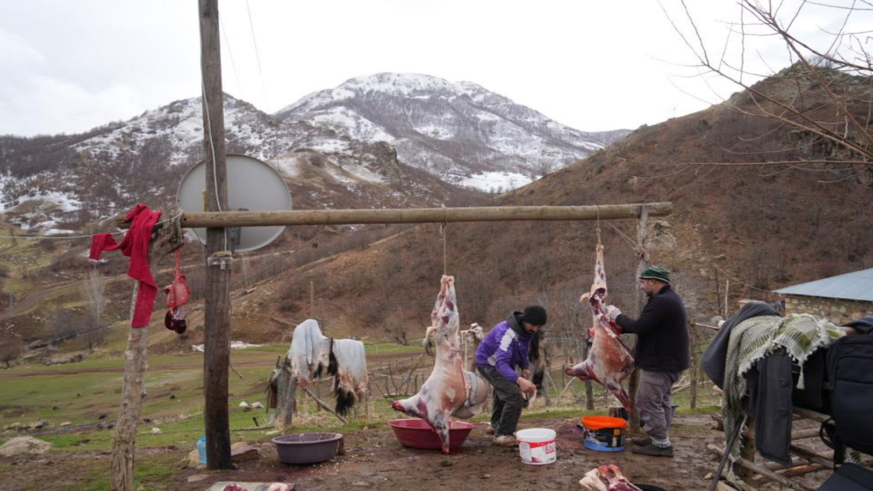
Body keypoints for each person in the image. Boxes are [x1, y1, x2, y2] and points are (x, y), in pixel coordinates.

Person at [606, 265, 688, 457]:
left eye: (643, 282)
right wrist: (617, 329)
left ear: (653, 281)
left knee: (648, 402)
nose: (641, 286)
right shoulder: (667, 299)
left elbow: (641, 326)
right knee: (661, 401)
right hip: (669, 361)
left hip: (661, 363)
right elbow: (649, 326)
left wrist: (616, 316)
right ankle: (659, 438)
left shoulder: (662, 302)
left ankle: (661, 443)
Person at [475, 305, 546, 446]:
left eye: (539, 326)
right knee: (514, 395)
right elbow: (501, 365)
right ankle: (503, 435)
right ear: (525, 320)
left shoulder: (526, 331)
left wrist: (524, 366)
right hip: (488, 363)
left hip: (500, 364)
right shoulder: (506, 333)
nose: (536, 329)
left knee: (503, 390)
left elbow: (523, 349)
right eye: (534, 325)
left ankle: (496, 425)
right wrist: (519, 380)